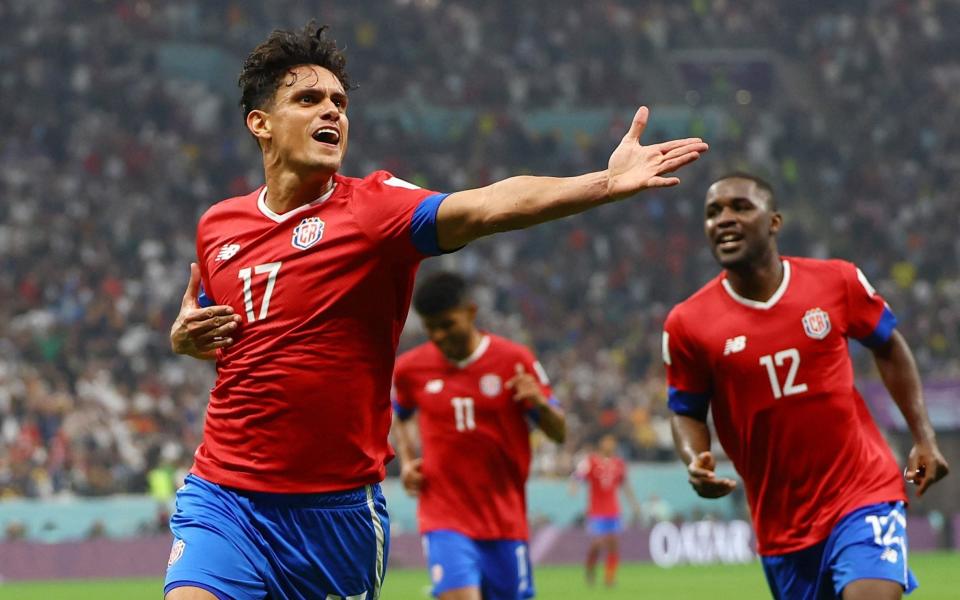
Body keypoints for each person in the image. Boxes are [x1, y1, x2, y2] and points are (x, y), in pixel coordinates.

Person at [165, 21, 707, 600]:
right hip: (225, 496)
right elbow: (229, 341)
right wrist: (183, 339)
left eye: (339, 102)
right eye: (309, 99)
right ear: (260, 123)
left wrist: (603, 182)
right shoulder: (218, 226)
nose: (332, 112)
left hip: (335, 514)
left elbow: (488, 207)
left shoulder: (373, 210)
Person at [663, 173, 949, 600]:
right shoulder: (688, 323)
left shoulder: (836, 282)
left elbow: (888, 345)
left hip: (862, 491)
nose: (724, 219)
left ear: (774, 222)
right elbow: (686, 410)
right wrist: (694, 460)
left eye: (741, 207)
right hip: (782, 525)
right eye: (712, 212)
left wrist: (923, 436)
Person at [392, 271, 565, 600]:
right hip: (444, 515)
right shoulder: (410, 369)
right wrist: (408, 459)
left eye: (447, 324)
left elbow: (559, 432)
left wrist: (540, 403)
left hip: (504, 519)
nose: (439, 336)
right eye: (430, 328)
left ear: (470, 312)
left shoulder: (515, 361)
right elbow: (401, 415)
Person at [570, 434, 641, 587]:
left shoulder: (619, 464)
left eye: (612, 442)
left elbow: (625, 485)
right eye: (607, 442)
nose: (610, 445)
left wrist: (634, 504)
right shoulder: (591, 461)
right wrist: (574, 486)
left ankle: (610, 578)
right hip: (596, 511)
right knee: (597, 544)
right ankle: (590, 568)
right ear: (601, 444)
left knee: (613, 544)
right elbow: (577, 476)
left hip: (613, 510)